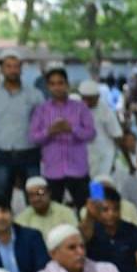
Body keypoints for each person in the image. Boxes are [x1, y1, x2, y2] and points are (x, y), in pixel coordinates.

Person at [28, 67, 96, 209]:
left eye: (60, 83)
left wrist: (72, 129)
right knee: (52, 211)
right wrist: (50, 131)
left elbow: (91, 134)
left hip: (78, 169)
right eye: (52, 84)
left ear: (67, 85)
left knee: (87, 209)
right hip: (53, 171)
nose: (57, 87)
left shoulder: (80, 108)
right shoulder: (41, 110)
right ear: (48, 87)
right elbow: (33, 137)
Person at [0, 48, 43, 199]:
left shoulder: (34, 94)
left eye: (16, 66)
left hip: (30, 153)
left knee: (36, 196)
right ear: (1, 69)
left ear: (21, 68)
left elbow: (42, 125)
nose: (13, 70)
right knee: (1, 197)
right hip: (2, 154)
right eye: (8, 66)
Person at [80, 79, 122, 180]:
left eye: (90, 99)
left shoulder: (106, 111)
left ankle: (97, 196)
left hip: (103, 155)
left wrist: (114, 159)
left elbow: (117, 136)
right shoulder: (78, 108)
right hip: (83, 154)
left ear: (98, 97)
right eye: (84, 99)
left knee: (98, 183)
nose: (87, 102)